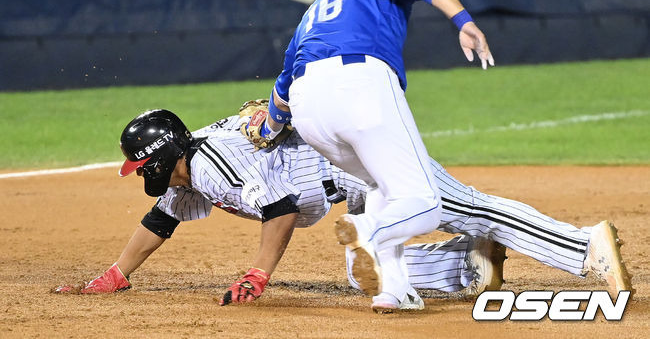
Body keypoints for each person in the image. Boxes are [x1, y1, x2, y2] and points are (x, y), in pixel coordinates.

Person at [54, 109, 633, 312]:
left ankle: (581, 247)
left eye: (139, 164)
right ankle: (469, 266)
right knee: (365, 269)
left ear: (159, 157)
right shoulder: (188, 168)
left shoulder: (205, 163)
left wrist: (260, 272)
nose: (141, 175)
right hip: (348, 178)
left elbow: (279, 208)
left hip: (359, 161)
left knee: (468, 207)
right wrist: (116, 276)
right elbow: (161, 219)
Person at [252, 0, 495, 311]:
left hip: (307, 106)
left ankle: (392, 289)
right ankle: (368, 231)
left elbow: (282, 88)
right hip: (360, 85)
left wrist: (268, 129)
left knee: (381, 187)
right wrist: (462, 20)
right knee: (424, 203)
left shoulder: (311, 13)